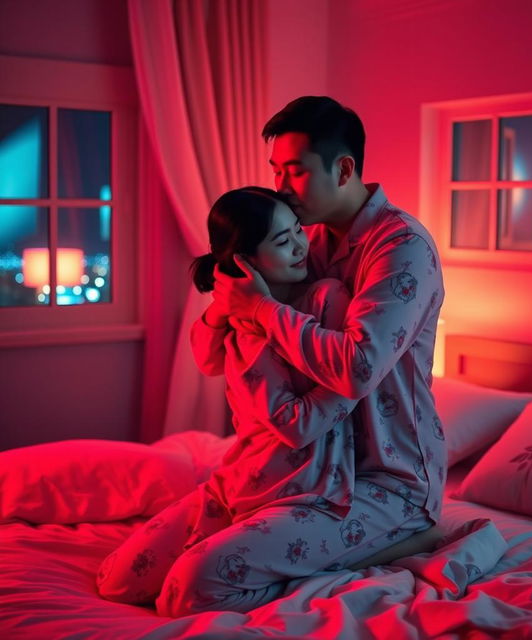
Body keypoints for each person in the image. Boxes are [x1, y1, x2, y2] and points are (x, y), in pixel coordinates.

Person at [97, 187, 428, 616]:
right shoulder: (235, 318)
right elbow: (205, 356)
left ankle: (350, 561)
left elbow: (300, 423)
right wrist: (228, 310)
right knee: (117, 580)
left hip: (309, 492)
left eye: (297, 232)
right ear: (246, 261)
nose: (300, 246)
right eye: (282, 240)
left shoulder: (326, 299)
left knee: (188, 590)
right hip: (240, 482)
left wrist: (360, 380)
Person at [192, 98, 447, 583]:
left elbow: (358, 367)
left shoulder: (402, 247)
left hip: (387, 480)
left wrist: (263, 309)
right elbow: (209, 357)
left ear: (344, 168)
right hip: (302, 475)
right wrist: (227, 307)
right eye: (276, 172)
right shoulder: (304, 240)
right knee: (132, 575)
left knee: (207, 577)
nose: (281, 190)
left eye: (295, 173)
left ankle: (415, 536)